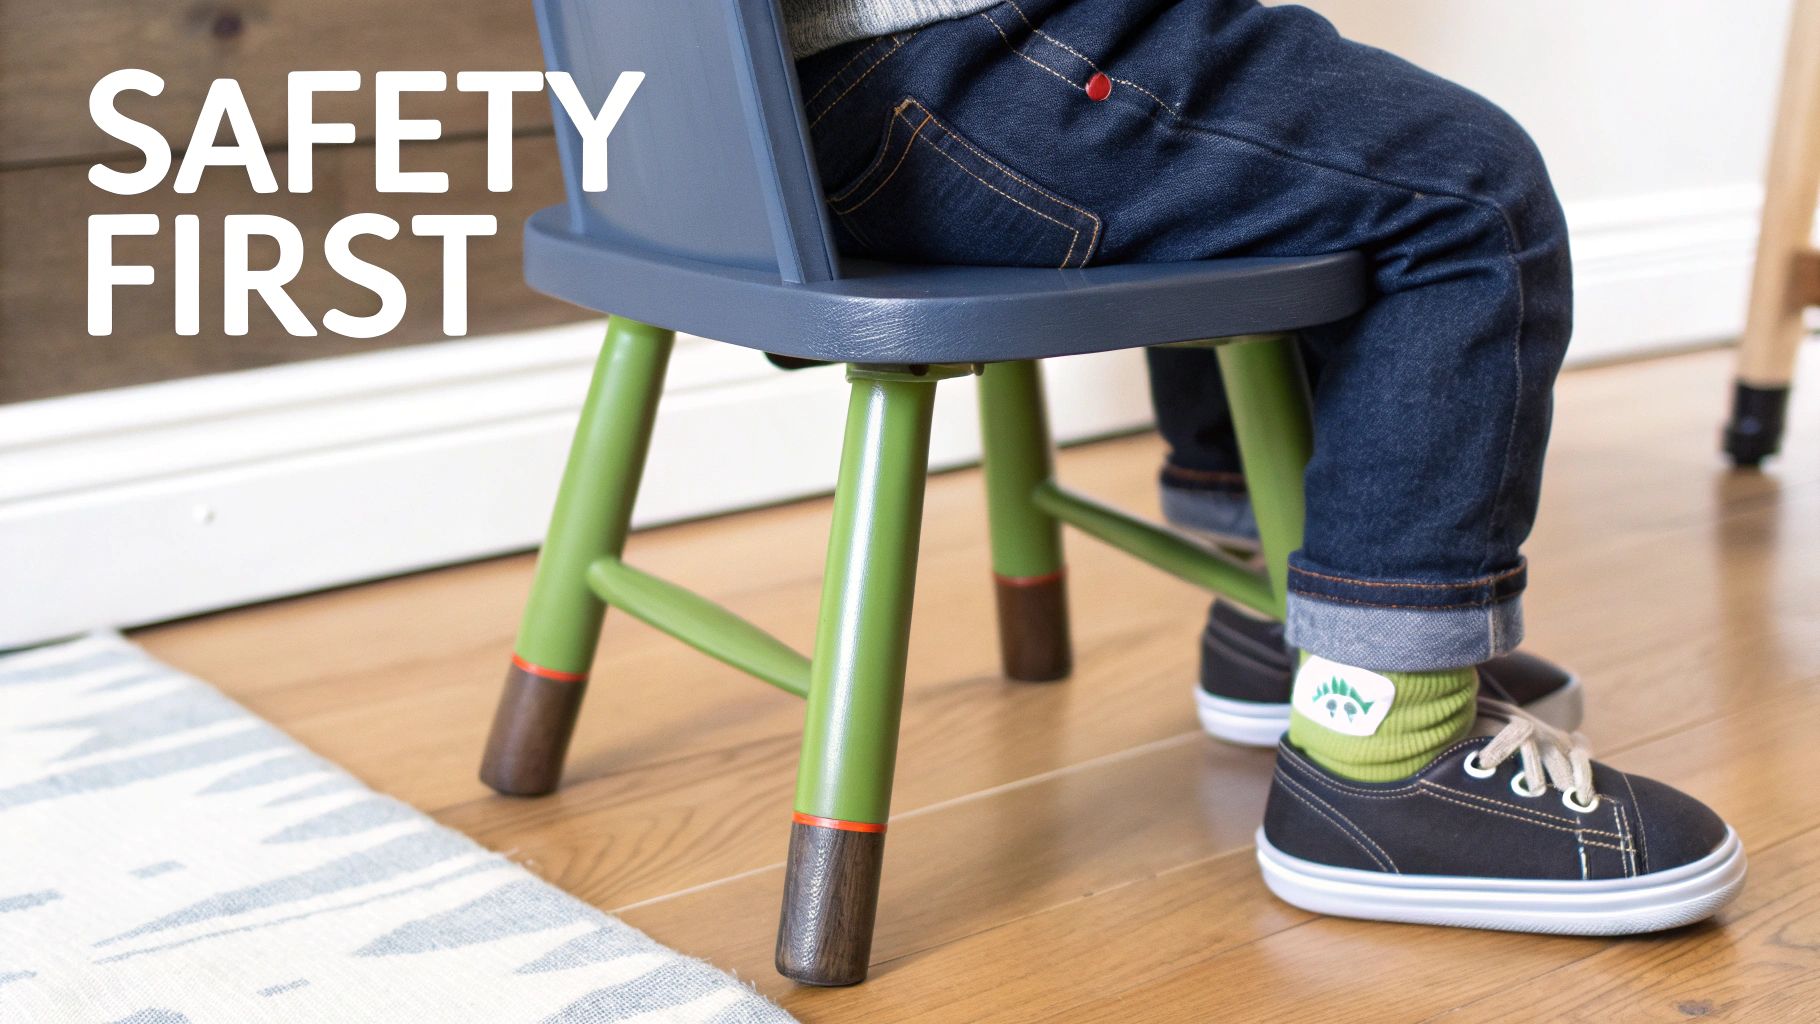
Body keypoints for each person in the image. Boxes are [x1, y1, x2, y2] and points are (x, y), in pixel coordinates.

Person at [784, 0, 1745, 932]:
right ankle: (1381, 756)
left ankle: (1276, 610)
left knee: (1260, 166)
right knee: (1473, 196)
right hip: (943, 65)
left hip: (766, 109)